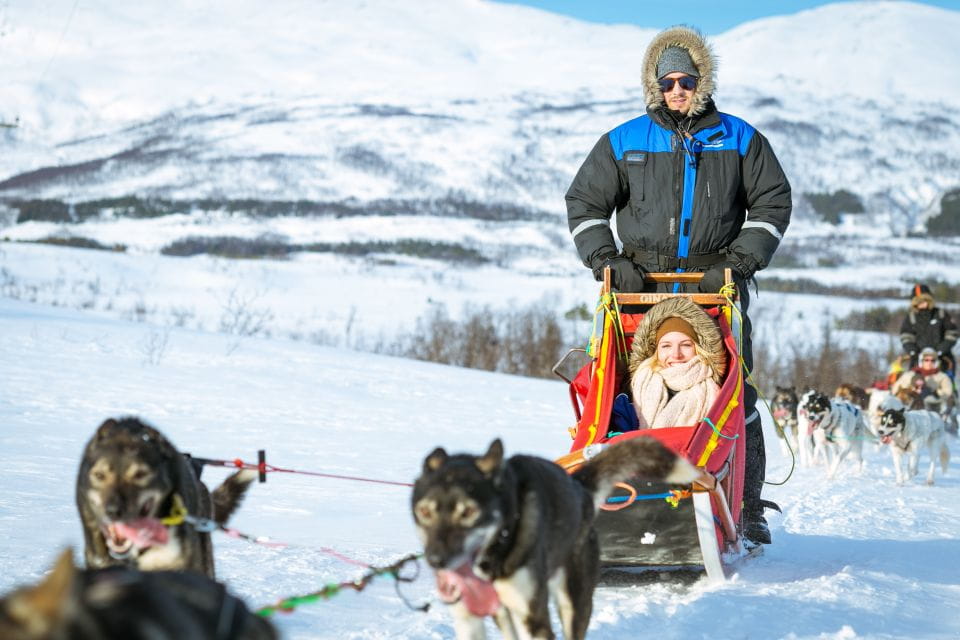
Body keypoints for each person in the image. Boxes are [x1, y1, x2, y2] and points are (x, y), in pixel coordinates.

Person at [565, 25, 791, 545]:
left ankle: (747, 506)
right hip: (638, 285)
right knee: (626, 385)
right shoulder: (624, 141)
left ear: (702, 81)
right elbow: (584, 204)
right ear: (653, 84)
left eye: (686, 80)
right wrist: (606, 260)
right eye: (666, 82)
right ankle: (621, 495)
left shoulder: (740, 138)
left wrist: (736, 264)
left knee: (734, 394)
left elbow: (772, 204)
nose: (677, 90)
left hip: (718, 283)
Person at [628, 297, 726, 429]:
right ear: (656, 351)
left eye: (686, 345)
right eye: (666, 346)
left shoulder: (712, 392)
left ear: (698, 350)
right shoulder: (639, 382)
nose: (676, 354)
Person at [899, 283, 957, 372]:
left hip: (942, 360)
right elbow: (906, 336)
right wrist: (912, 351)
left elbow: (952, 332)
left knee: (945, 383)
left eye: (924, 300)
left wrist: (941, 350)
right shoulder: (911, 317)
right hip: (918, 360)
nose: (921, 303)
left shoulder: (940, 314)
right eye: (918, 301)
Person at [891, 346, 955, 417]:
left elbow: (948, 392)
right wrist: (910, 391)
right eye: (926, 360)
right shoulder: (910, 374)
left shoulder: (942, 376)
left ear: (936, 362)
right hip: (910, 408)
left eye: (932, 360)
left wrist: (934, 392)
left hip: (934, 409)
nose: (929, 362)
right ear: (921, 361)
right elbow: (895, 389)